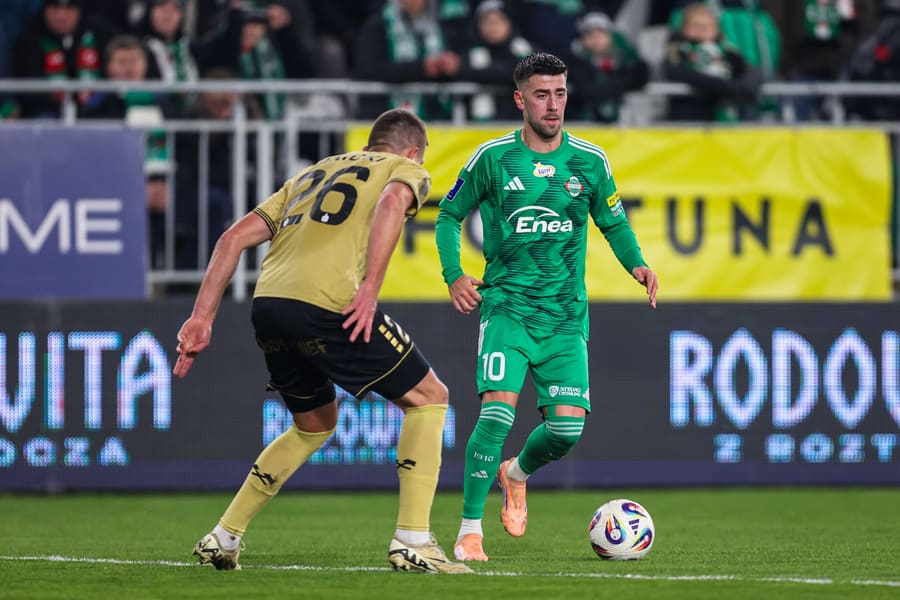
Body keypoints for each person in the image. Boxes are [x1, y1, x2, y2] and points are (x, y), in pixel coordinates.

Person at [174, 108, 472, 574]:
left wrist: (200, 319)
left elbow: (232, 239)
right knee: (430, 397)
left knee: (314, 425)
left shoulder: (311, 173)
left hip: (269, 306)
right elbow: (393, 205)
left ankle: (224, 535)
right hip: (328, 303)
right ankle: (413, 540)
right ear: (413, 150)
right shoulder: (406, 169)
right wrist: (370, 289)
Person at [434, 52, 658, 562]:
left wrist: (637, 264)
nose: (552, 104)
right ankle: (470, 531)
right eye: (541, 94)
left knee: (566, 429)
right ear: (520, 99)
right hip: (508, 308)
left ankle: (515, 475)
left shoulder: (590, 161)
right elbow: (448, 215)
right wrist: (454, 276)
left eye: (559, 93)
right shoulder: (492, 158)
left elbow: (614, 222)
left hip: (564, 318)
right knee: (495, 415)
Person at [663, 2, 762, 122]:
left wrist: (744, 86)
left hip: (723, 123)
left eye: (706, 27)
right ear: (684, 28)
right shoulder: (677, 47)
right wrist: (728, 88)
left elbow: (752, 70)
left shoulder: (725, 48)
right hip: (687, 124)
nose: (701, 31)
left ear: (716, 30)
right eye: (695, 26)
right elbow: (675, 72)